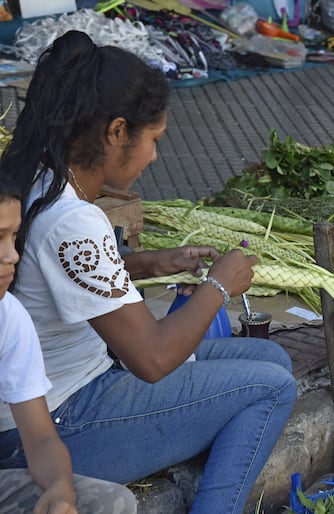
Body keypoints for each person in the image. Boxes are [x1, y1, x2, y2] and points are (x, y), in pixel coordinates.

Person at [0, 30, 296, 514]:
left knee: (272, 360)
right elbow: (153, 359)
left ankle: (190, 440)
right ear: (117, 132)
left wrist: (145, 263)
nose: (156, 156)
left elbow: (54, 274)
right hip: (61, 420)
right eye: (153, 140)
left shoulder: (40, 175)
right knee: (273, 386)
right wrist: (220, 286)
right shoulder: (73, 218)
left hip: (73, 389)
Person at [0, 176, 137, 514]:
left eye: (14, 237)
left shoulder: (9, 317)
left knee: (114, 503)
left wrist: (61, 490)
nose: (11, 255)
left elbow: (40, 439)